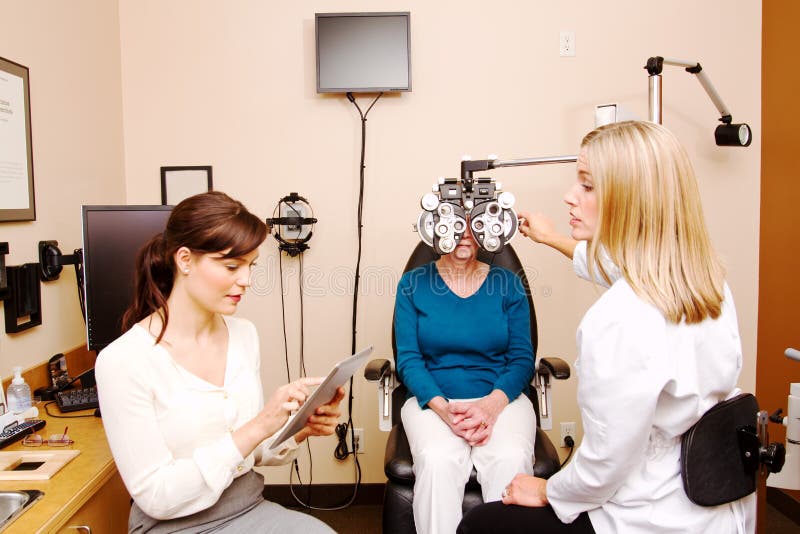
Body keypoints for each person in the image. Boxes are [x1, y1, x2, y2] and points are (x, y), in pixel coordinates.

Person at [457, 120, 752, 534]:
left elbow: (605, 464)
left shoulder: (619, 318)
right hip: (711, 508)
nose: (569, 196)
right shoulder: (705, 283)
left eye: (587, 186)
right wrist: (552, 238)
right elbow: (615, 267)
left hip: (643, 517)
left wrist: (550, 490)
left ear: (633, 199)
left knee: (481, 524)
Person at [96, 191, 342, 533]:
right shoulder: (123, 361)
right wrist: (258, 425)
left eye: (250, 266)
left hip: (246, 505)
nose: (247, 280)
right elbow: (157, 497)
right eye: (232, 266)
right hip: (175, 524)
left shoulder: (244, 335)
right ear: (184, 260)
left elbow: (248, 455)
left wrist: (299, 429)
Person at [394, 222, 537, 534]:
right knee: (437, 461)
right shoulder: (412, 284)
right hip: (434, 400)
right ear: (435, 228)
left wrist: (490, 406)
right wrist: (444, 409)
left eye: (476, 225)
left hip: (501, 398)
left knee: (509, 458)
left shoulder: (508, 283)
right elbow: (409, 360)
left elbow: (522, 358)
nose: (465, 234)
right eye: (456, 224)